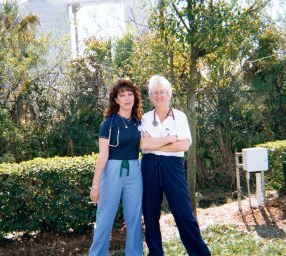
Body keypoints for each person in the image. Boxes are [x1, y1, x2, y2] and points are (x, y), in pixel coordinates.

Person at [140, 75, 211, 256]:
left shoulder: (179, 116)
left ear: (169, 94)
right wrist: (170, 139)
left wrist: (156, 142)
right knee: (150, 214)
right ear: (150, 96)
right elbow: (143, 145)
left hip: (173, 167)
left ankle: (200, 253)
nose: (159, 95)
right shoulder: (146, 118)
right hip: (149, 167)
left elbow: (184, 145)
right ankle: (155, 253)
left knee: (183, 214)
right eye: (155, 92)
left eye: (162, 92)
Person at [89, 78, 143, 256]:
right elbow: (103, 155)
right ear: (116, 100)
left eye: (130, 94)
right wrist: (95, 186)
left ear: (135, 98)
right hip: (112, 171)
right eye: (122, 95)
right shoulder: (108, 124)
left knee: (134, 220)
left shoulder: (139, 123)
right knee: (104, 220)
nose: (127, 98)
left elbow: (146, 146)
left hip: (134, 170)